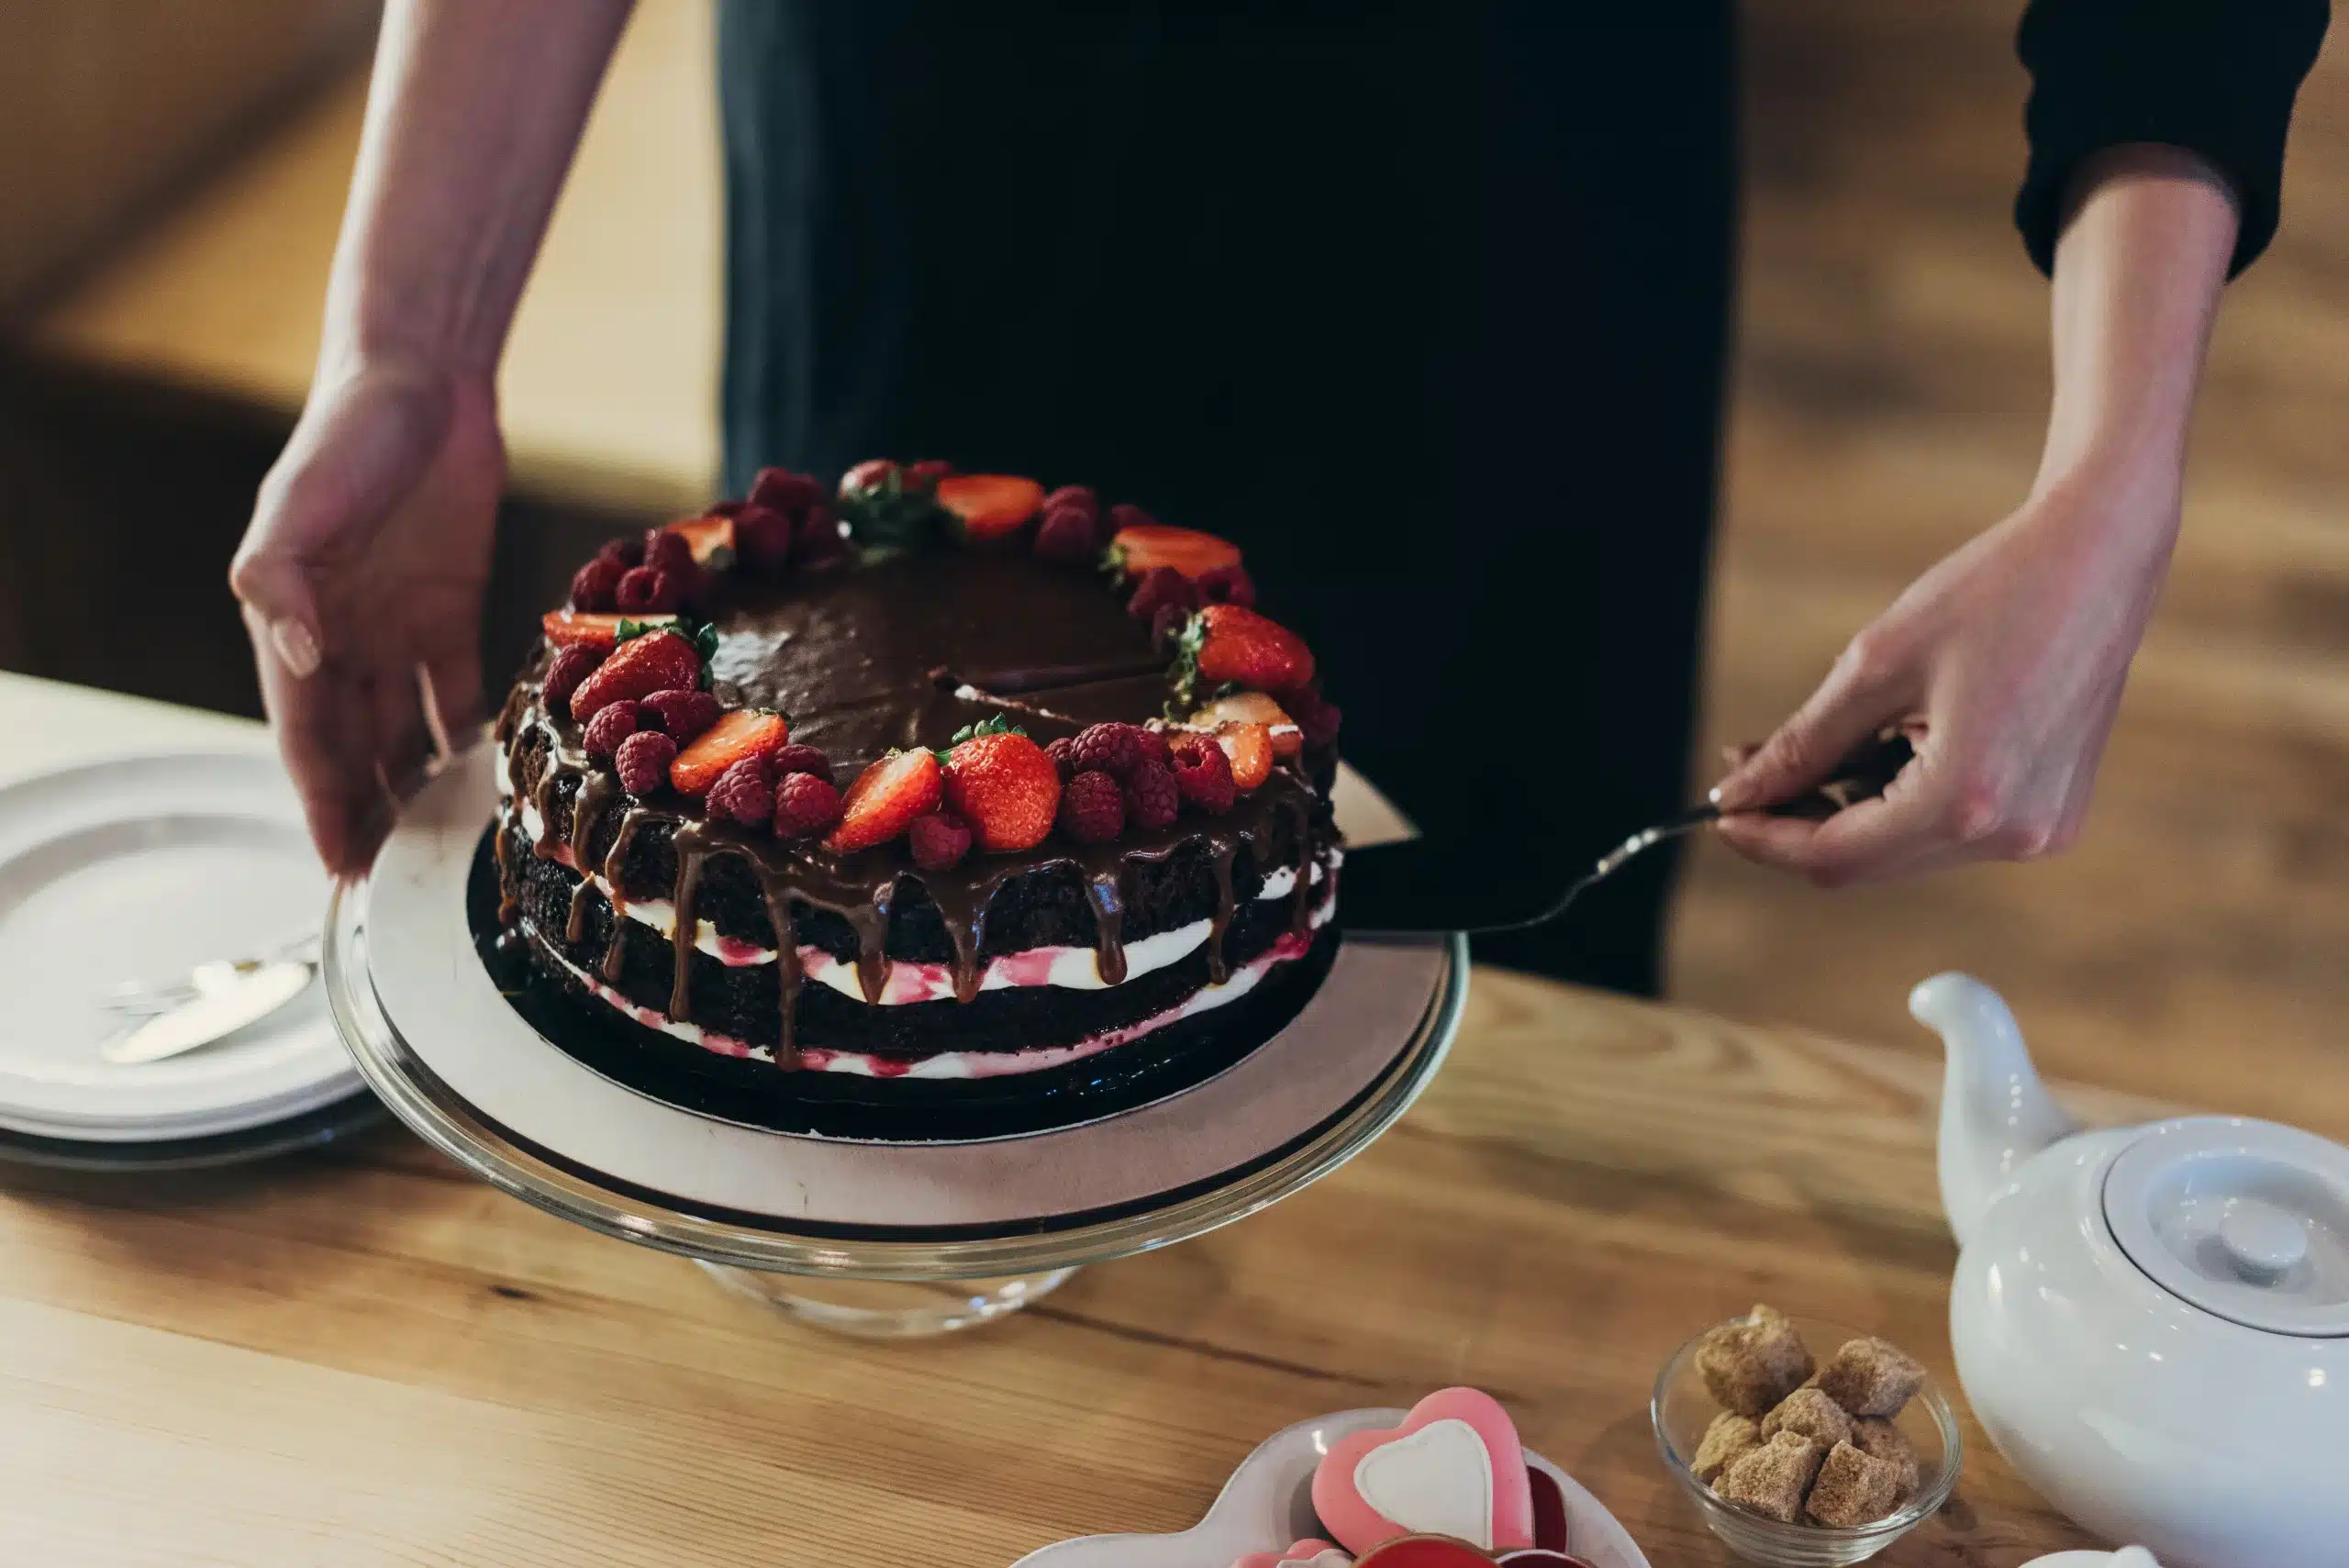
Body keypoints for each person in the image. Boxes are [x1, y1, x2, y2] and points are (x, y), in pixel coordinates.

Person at [230, 2, 2326, 995]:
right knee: (866, 1041)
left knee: (1477, 1069)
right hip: (924, 185)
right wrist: (413, 334)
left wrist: (2113, 466)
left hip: (1496, 232)